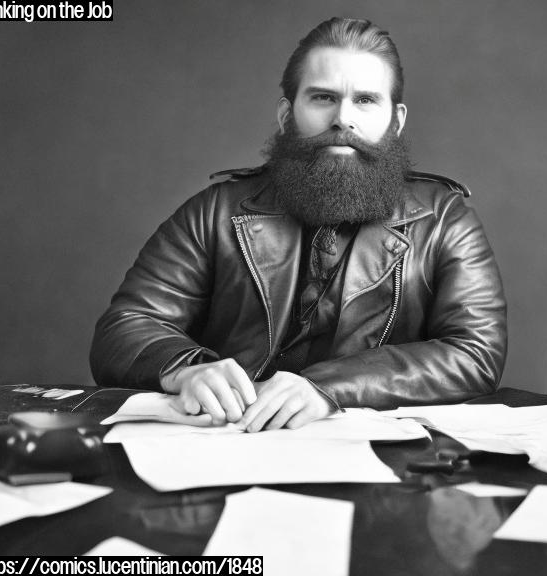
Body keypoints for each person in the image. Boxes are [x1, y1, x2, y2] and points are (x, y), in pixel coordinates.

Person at [91, 17, 507, 432]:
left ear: (395, 122)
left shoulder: (443, 221)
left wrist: (327, 388)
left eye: (365, 100)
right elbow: (125, 327)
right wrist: (185, 370)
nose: (343, 119)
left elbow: (475, 353)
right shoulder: (215, 212)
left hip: (369, 457)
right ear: (287, 114)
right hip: (230, 439)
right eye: (323, 97)